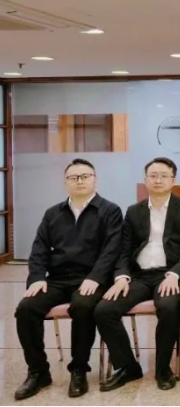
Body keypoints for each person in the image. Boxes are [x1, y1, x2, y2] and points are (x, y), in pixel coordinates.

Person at [14, 158, 123, 400]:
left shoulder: (110, 210)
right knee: (26, 309)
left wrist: (96, 277)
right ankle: (38, 371)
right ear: (65, 182)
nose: (79, 181)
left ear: (95, 180)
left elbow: (112, 250)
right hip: (57, 278)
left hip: (91, 278)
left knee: (83, 306)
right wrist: (37, 278)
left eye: (85, 176)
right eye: (73, 177)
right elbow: (39, 249)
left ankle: (79, 370)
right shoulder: (53, 213)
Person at [95, 157, 180, 391]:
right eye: (153, 175)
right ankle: (128, 367)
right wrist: (121, 277)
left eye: (164, 176)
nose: (158, 180)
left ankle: (162, 369)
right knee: (104, 310)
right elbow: (124, 250)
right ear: (145, 180)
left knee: (169, 307)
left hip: (170, 274)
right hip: (139, 275)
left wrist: (175, 274)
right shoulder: (134, 211)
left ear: (173, 180)